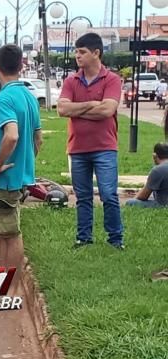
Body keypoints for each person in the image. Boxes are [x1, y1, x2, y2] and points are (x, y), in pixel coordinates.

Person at [57, 33, 124, 250]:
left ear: (96, 53)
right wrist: (92, 103)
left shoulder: (112, 79)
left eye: (82, 52)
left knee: (108, 194)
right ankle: (83, 238)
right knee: (83, 196)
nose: (78, 56)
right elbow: (62, 109)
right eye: (76, 51)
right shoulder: (71, 80)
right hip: (77, 148)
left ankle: (115, 239)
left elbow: (107, 110)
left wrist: (78, 109)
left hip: (105, 147)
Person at [0, 44, 42, 268]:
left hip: (4, 178)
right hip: (21, 176)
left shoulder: (3, 99)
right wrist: (25, 164)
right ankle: (9, 286)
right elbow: (38, 140)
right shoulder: (29, 97)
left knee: (9, 234)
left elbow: (11, 136)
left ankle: (9, 289)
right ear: (21, 66)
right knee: (5, 232)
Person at [126, 143, 168, 208]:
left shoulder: (157, 170)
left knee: (130, 202)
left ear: (154, 155)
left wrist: (134, 199)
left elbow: (143, 196)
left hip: (163, 205)